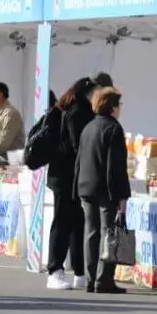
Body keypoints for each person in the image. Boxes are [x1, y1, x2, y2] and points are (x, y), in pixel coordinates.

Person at [74, 86, 131, 295]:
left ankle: (90, 279)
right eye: (119, 104)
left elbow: (79, 160)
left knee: (91, 234)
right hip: (106, 189)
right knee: (110, 233)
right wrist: (122, 195)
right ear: (113, 107)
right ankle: (103, 279)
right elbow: (116, 166)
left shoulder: (89, 127)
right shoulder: (113, 128)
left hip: (85, 186)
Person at [45, 77, 96, 290]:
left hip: (69, 175)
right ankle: (55, 270)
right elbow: (78, 145)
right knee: (63, 222)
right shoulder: (77, 112)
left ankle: (79, 272)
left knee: (77, 223)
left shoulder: (73, 109)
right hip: (66, 176)